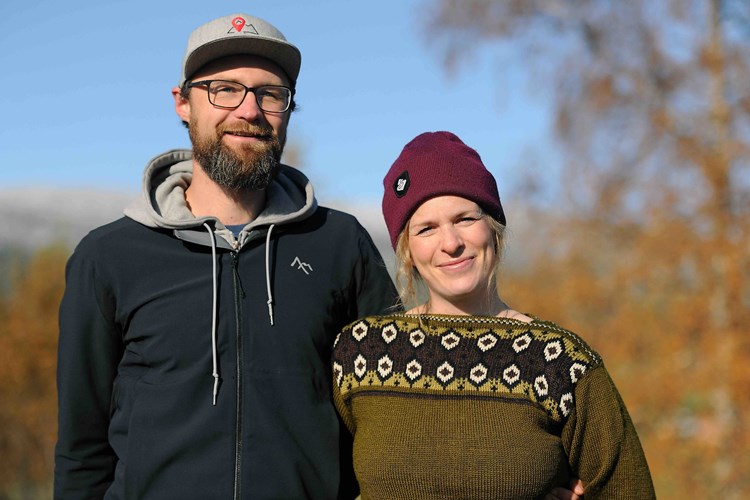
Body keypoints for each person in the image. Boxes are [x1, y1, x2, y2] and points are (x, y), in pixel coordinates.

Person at [54, 13, 398, 499]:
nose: (249, 110)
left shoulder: (340, 244)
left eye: (270, 94)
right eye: (224, 89)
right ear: (182, 104)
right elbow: (81, 452)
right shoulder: (108, 257)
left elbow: (392, 415)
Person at [332, 131, 656, 498]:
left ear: (494, 228)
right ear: (407, 250)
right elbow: (321, 482)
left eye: (465, 219)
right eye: (426, 228)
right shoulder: (362, 353)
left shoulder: (560, 363)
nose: (451, 243)